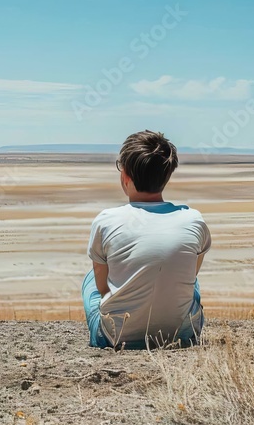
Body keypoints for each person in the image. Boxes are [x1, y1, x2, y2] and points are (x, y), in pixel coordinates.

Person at [82, 130, 211, 349]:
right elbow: (192, 275)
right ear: (167, 176)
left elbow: (103, 288)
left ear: (125, 176)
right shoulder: (193, 220)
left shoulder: (105, 221)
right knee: (190, 279)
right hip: (181, 333)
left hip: (116, 336)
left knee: (90, 281)